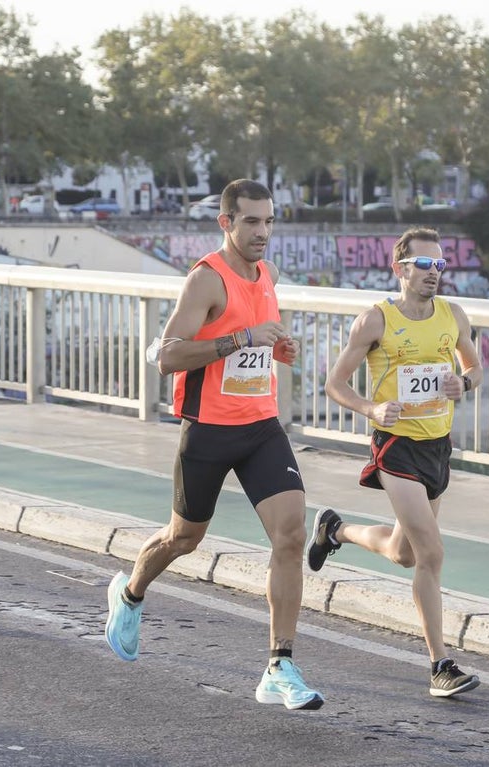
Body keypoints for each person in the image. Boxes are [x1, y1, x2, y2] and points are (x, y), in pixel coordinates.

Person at [103, 179, 323, 710]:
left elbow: (262, 339)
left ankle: (280, 664)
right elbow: (169, 356)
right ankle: (130, 594)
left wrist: (280, 348)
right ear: (226, 223)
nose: (262, 232)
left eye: (269, 221)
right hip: (208, 430)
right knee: (184, 538)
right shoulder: (206, 279)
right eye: (251, 221)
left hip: (261, 427)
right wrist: (238, 340)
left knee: (291, 536)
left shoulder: (266, 273)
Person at [310, 226, 484, 698]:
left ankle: (335, 529)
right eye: (424, 265)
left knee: (404, 553)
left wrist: (462, 385)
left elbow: (475, 367)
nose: (434, 274)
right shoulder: (375, 321)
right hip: (395, 447)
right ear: (400, 269)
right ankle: (440, 665)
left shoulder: (454, 315)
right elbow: (335, 383)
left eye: (440, 265)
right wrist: (371, 409)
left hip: (437, 447)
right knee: (432, 554)